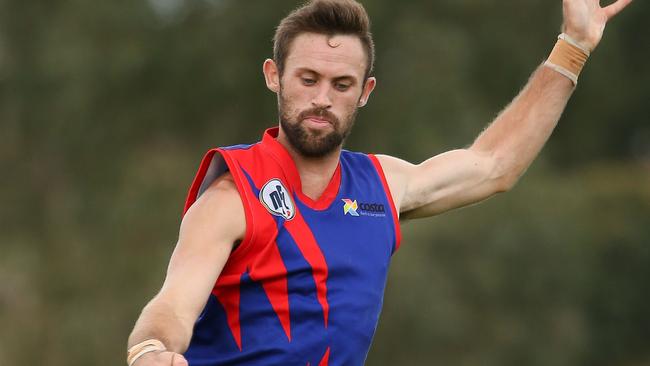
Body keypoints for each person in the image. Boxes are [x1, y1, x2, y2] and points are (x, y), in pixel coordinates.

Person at [126, 0, 634, 365]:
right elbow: (172, 305)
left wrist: (573, 48)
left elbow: (494, 164)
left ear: (365, 91)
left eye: (341, 84)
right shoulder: (231, 197)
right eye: (308, 79)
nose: (323, 97)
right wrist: (151, 351)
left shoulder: (383, 185)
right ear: (273, 76)